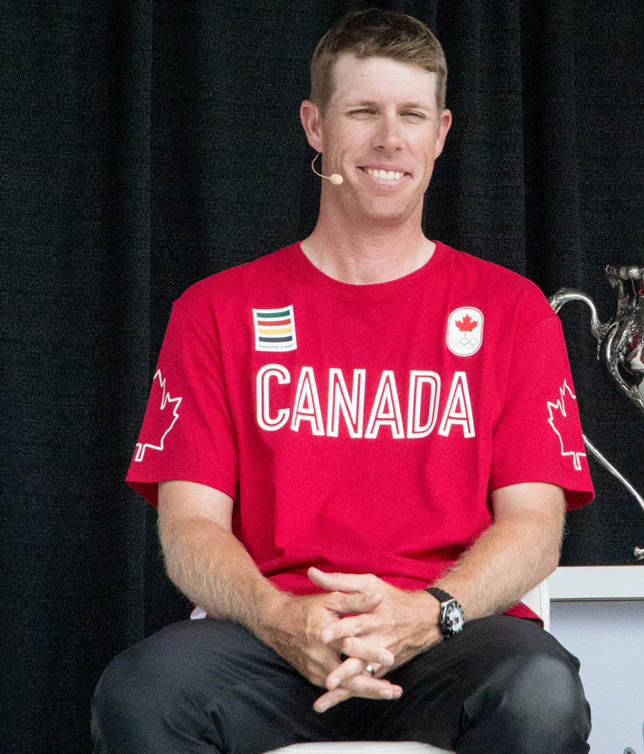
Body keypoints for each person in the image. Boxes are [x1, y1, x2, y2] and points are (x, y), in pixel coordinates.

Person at [93, 9, 593, 754]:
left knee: (542, 691)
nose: (389, 139)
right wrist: (277, 617)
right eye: (363, 112)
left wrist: (428, 612)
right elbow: (190, 527)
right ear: (315, 125)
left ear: (441, 133)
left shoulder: (512, 311)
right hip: (267, 636)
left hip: (449, 638)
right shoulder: (218, 310)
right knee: (140, 694)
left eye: (410, 115)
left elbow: (533, 525)